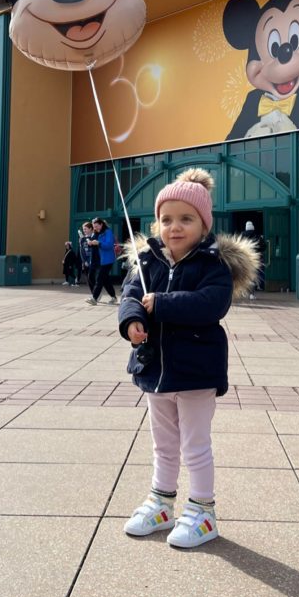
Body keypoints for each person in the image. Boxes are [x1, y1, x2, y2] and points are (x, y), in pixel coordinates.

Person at [118, 168, 258, 548]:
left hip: (196, 372)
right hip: (155, 370)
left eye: (185, 219)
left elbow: (210, 305)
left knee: (194, 444)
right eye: (166, 219)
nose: (174, 227)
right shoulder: (148, 261)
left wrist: (161, 304)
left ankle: (202, 510)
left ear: (204, 224)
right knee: (162, 443)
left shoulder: (213, 265)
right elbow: (130, 296)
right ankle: (162, 502)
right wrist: (132, 319)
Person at [86, 217, 118, 305]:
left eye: (96, 226)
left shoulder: (108, 232)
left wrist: (99, 243)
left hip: (107, 260)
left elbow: (109, 245)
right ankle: (113, 297)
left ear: (101, 224)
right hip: (98, 260)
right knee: (105, 280)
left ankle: (94, 298)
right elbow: (93, 244)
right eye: (93, 226)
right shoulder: (96, 233)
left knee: (100, 279)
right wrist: (90, 243)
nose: (95, 228)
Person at [242, 220, 265, 298]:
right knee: (257, 273)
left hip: (246, 257)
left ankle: (246, 290)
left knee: (246, 275)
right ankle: (257, 287)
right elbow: (263, 246)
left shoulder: (242, 235)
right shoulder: (257, 236)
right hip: (256, 257)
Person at [78, 221, 94, 287]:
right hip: (85, 262)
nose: (84, 230)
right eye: (83, 229)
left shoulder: (94, 237)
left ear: (90, 229)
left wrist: (89, 260)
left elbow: (93, 251)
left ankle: (96, 294)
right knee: (89, 278)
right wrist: (84, 261)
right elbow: (82, 251)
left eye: (85, 229)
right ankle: (94, 294)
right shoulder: (82, 239)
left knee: (93, 277)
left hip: (93, 261)